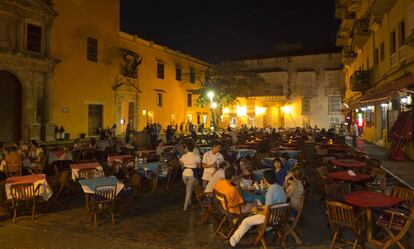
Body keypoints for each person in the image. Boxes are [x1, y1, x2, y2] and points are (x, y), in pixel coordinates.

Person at [229, 170, 286, 247]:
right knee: (256, 203)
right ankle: (249, 225)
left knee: (246, 221)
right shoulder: (280, 188)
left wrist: (256, 209)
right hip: (280, 216)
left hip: (270, 218)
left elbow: (266, 210)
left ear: (265, 180)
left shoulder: (270, 193)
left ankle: (232, 241)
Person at [179, 143, 201, 211]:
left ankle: (190, 202)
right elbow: (199, 166)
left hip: (184, 174)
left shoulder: (184, 155)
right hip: (192, 174)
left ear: (187, 148)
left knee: (188, 188)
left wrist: (184, 164)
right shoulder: (196, 156)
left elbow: (180, 161)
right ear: (194, 148)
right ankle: (185, 207)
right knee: (189, 191)